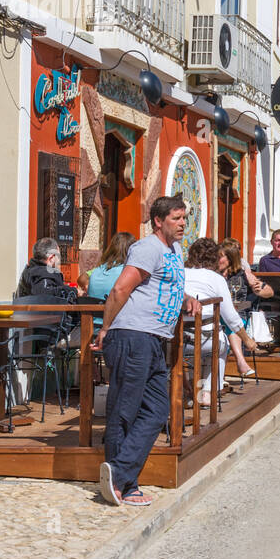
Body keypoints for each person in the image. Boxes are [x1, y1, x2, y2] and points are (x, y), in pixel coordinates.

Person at [93, 195, 200, 508]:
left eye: (184, 219)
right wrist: (104, 330)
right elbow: (121, 289)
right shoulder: (147, 248)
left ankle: (120, 475)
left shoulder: (174, 250)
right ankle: (123, 484)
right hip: (132, 336)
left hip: (154, 339)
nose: (182, 224)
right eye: (176, 219)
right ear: (158, 221)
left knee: (156, 410)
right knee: (124, 411)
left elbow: (165, 287)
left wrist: (186, 299)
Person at [183, 238, 256, 403]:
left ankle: (186, 390)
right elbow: (231, 317)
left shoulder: (181, 273)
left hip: (179, 338)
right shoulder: (216, 279)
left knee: (183, 355)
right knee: (221, 346)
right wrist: (247, 339)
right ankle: (208, 392)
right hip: (205, 338)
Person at [77, 233, 135, 326]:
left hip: (92, 326)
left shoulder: (96, 272)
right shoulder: (127, 273)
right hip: (115, 328)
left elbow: (81, 279)